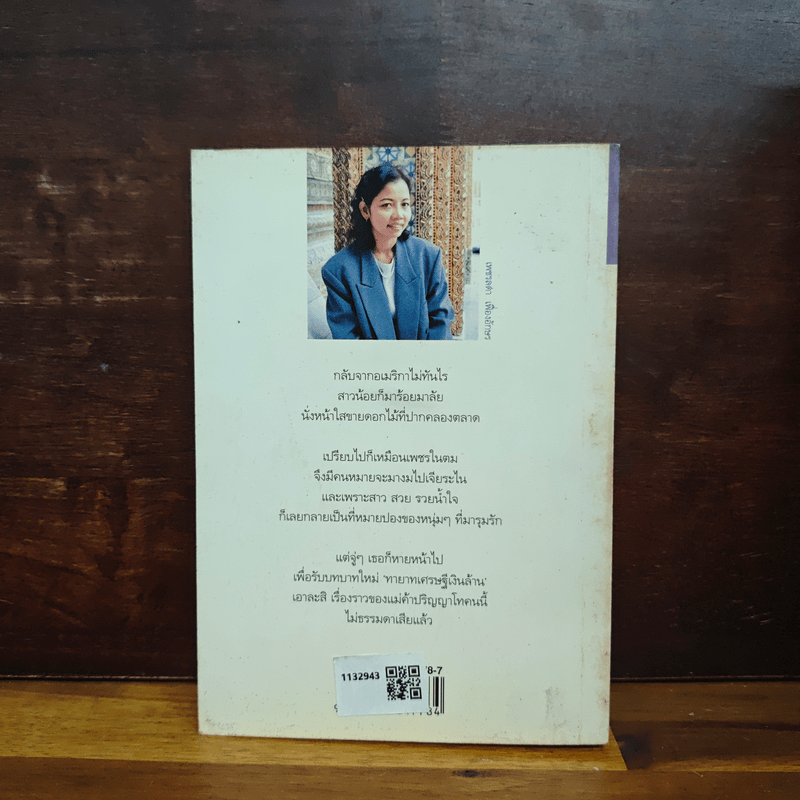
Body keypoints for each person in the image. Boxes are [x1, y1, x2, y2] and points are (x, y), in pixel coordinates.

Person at [321, 164, 454, 340]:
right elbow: (348, 340)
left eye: (405, 204)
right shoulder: (338, 270)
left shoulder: (428, 256)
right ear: (365, 210)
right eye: (387, 205)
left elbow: (441, 324)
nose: (399, 215)